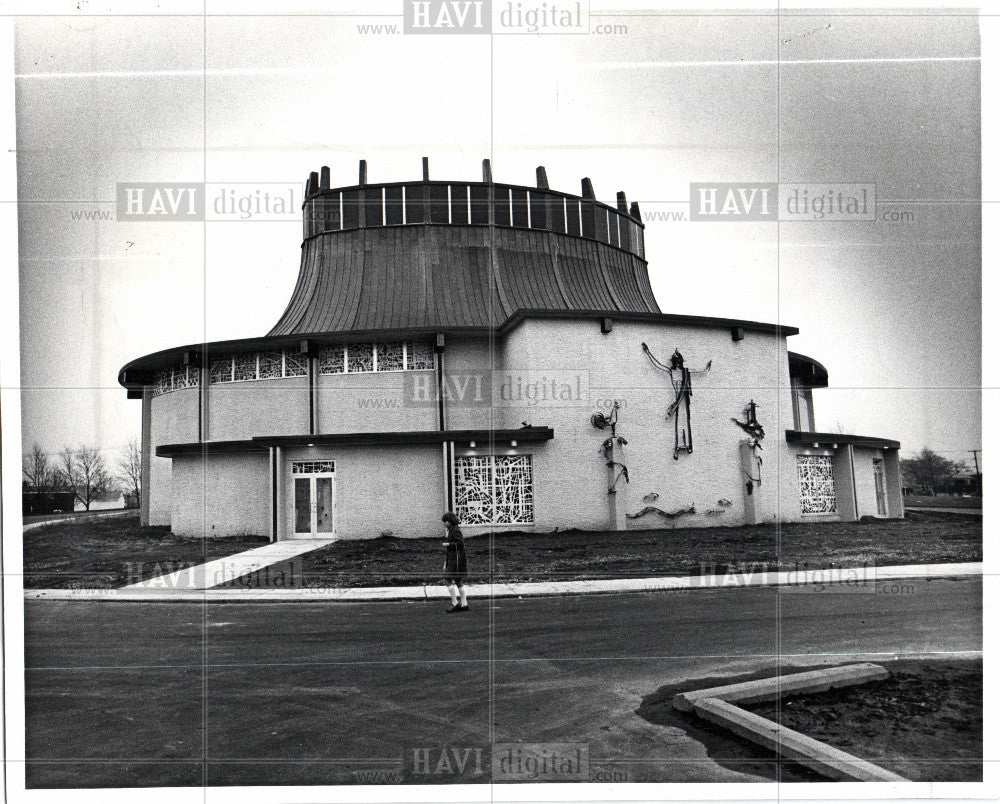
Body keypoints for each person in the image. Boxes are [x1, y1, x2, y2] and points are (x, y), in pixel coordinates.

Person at [441, 511, 469, 613]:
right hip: (456, 559)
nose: (444, 523)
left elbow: (460, 544)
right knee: (458, 580)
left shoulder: (455, 531)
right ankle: (464, 603)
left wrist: (448, 544)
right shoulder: (453, 530)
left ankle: (455, 603)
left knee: (447, 578)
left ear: (450, 521)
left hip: (456, 560)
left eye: (446, 521)